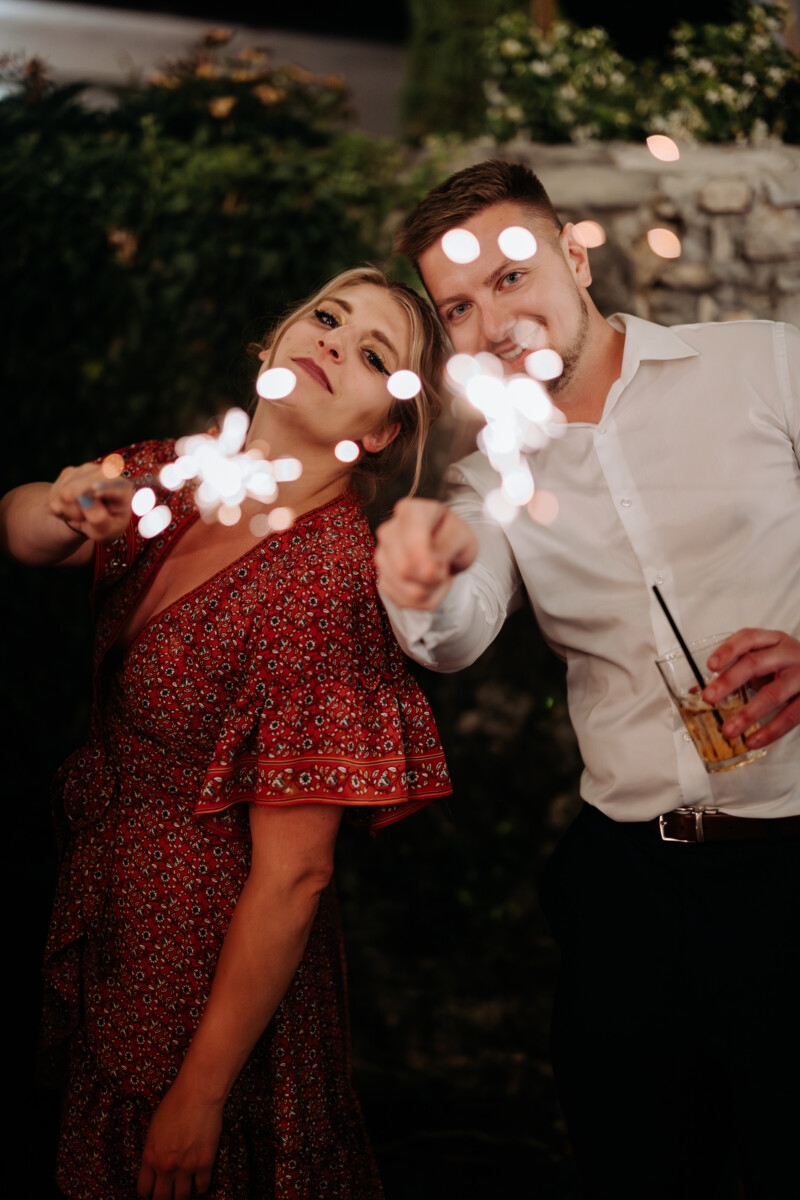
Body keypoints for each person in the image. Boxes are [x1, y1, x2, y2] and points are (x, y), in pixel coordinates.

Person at [375, 161, 800, 1198]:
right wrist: (421, 575)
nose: (494, 321)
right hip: (629, 896)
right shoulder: (489, 480)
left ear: (572, 252)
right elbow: (456, 634)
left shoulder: (760, 366)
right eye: (460, 308)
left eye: (512, 276)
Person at [0, 266, 452, 1200]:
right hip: (121, 916)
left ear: (379, 433)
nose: (333, 341)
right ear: (272, 341)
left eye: (373, 354)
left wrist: (200, 1094)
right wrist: (55, 503)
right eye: (327, 317)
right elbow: (20, 532)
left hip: (207, 983)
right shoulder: (181, 472)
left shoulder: (323, 585)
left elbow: (297, 873)